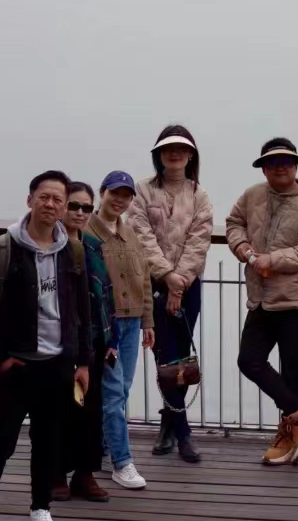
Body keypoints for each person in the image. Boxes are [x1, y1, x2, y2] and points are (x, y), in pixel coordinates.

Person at [0, 172, 96, 521]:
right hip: (18, 365)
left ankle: (41, 508)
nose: (50, 204)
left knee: (48, 442)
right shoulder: (3, 249)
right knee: (1, 443)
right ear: (30, 200)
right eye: (44, 197)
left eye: (58, 199)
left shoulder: (74, 251)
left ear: (64, 206)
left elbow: (83, 310)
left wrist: (83, 362)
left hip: (57, 363)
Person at [228, 137, 298, 465]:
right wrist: (243, 248)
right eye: (273, 163)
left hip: (297, 300)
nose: (280, 168)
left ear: (296, 166)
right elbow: (234, 224)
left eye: (287, 162)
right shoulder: (252, 195)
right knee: (249, 360)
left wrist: (272, 260)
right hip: (261, 298)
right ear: (264, 168)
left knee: (293, 371)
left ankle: (289, 436)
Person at [126, 125, 215, 463]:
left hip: (188, 287)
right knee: (165, 356)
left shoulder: (199, 194)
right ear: (159, 155)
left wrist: (180, 282)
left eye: (181, 149)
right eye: (167, 149)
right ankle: (184, 433)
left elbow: (199, 240)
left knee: (182, 357)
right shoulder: (142, 190)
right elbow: (141, 235)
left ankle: (169, 423)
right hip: (151, 284)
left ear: (191, 155)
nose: (174, 154)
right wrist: (166, 277)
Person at [90, 170, 154, 489]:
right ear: (102, 192)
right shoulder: (87, 232)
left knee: (122, 389)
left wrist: (148, 322)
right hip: (107, 325)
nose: (120, 200)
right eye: (114, 193)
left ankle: (100, 446)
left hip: (132, 322)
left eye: (126, 196)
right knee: (114, 393)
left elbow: (145, 279)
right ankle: (122, 461)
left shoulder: (130, 233)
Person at [55, 179, 118, 501]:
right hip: (57, 340)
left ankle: (85, 473)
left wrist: (111, 338)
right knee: (58, 408)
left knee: (90, 409)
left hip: (92, 339)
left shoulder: (92, 245)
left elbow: (105, 293)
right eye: (74, 206)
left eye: (86, 208)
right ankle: (55, 473)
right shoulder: (49, 245)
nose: (80, 213)